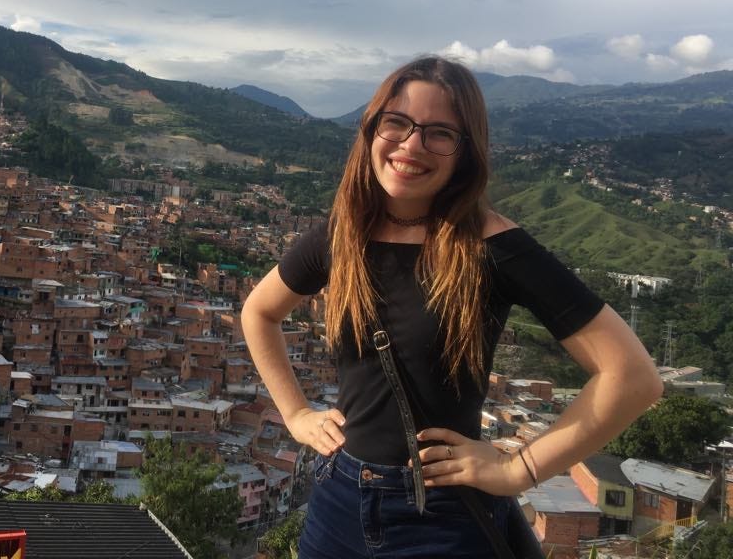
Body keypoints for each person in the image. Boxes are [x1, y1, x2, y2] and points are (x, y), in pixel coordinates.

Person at [241, 56, 662, 558]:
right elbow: (259, 312)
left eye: (438, 133)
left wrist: (519, 469)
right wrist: (295, 414)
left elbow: (633, 376)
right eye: (396, 122)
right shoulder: (343, 234)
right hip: (339, 499)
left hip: (441, 515)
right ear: (371, 130)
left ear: (466, 152)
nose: (411, 145)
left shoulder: (494, 248)